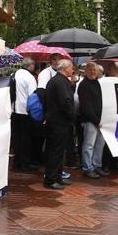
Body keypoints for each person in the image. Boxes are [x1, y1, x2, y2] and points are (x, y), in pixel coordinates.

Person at [44, 59, 75, 190]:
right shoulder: (60, 82)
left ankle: (57, 177)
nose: (72, 70)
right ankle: (51, 179)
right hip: (59, 122)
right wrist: (72, 116)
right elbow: (65, 102)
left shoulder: (58, 80)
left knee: (58, 151)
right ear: (65, 68)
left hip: (58, 121)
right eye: (71, 67)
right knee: (55, 151)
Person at [78, 62, 106, 179]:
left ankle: (96, 165)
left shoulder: (98, 83)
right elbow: (86, 106)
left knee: (99, 144)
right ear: (85, 71)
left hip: (101, 120)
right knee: (89, 145)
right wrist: (96, 120)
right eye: (90, 70)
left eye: (94, 70)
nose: (93, 72)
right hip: (91, 120)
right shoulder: (84, 85)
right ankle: (87, 168)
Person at [12, 58, 37, 171]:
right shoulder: (29, 77)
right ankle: (25, 163)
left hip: (13, 110)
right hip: (25, 111)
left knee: (16, 139)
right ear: (30, 66)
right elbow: (33, 97)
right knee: (26, 139)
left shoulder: (14, 74)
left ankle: (17, 163)